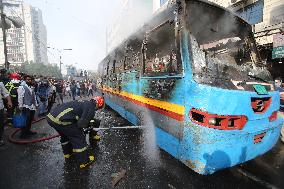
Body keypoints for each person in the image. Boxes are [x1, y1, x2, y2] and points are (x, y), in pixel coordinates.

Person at [46, 96, 105, 169]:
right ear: (99, 105)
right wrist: (86, 128)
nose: (97, 110)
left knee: (65, 135)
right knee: (78, 137)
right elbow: (81, 124)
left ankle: (68, 153)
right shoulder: (91, 108)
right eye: (99, 108)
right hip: (60, 120)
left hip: (51, 117)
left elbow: (78, 117)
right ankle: (84, 161)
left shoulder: (85, 102)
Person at [0, 81, 12, 146]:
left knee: (1, 124)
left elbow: (6, 93)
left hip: (0, 108)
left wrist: (9, 101)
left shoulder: (0, 84)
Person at [275, 78, 284, 143]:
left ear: (280, 82)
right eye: (275, 82)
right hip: (279, 110)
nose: (276, 83)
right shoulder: (277, 89)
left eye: (277, 82)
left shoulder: (281, 89)